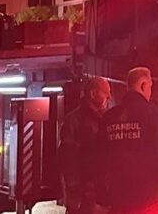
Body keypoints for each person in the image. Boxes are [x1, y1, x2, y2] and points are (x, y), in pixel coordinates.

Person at [98, 67, 158, 213]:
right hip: (148, 195)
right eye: (150, 86)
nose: (150, 92)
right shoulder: (154, 115)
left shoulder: (109, 117)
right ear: (143, 85)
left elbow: (100, 157)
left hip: (117, 197)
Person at [60, 76, 111, 214]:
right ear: (93, 94)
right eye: (106, 93)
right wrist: (73, 196)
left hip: (100, 194)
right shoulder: (74, 122)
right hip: (84, 196)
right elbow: (68, 160)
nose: (109, 97)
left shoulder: (106, 119)